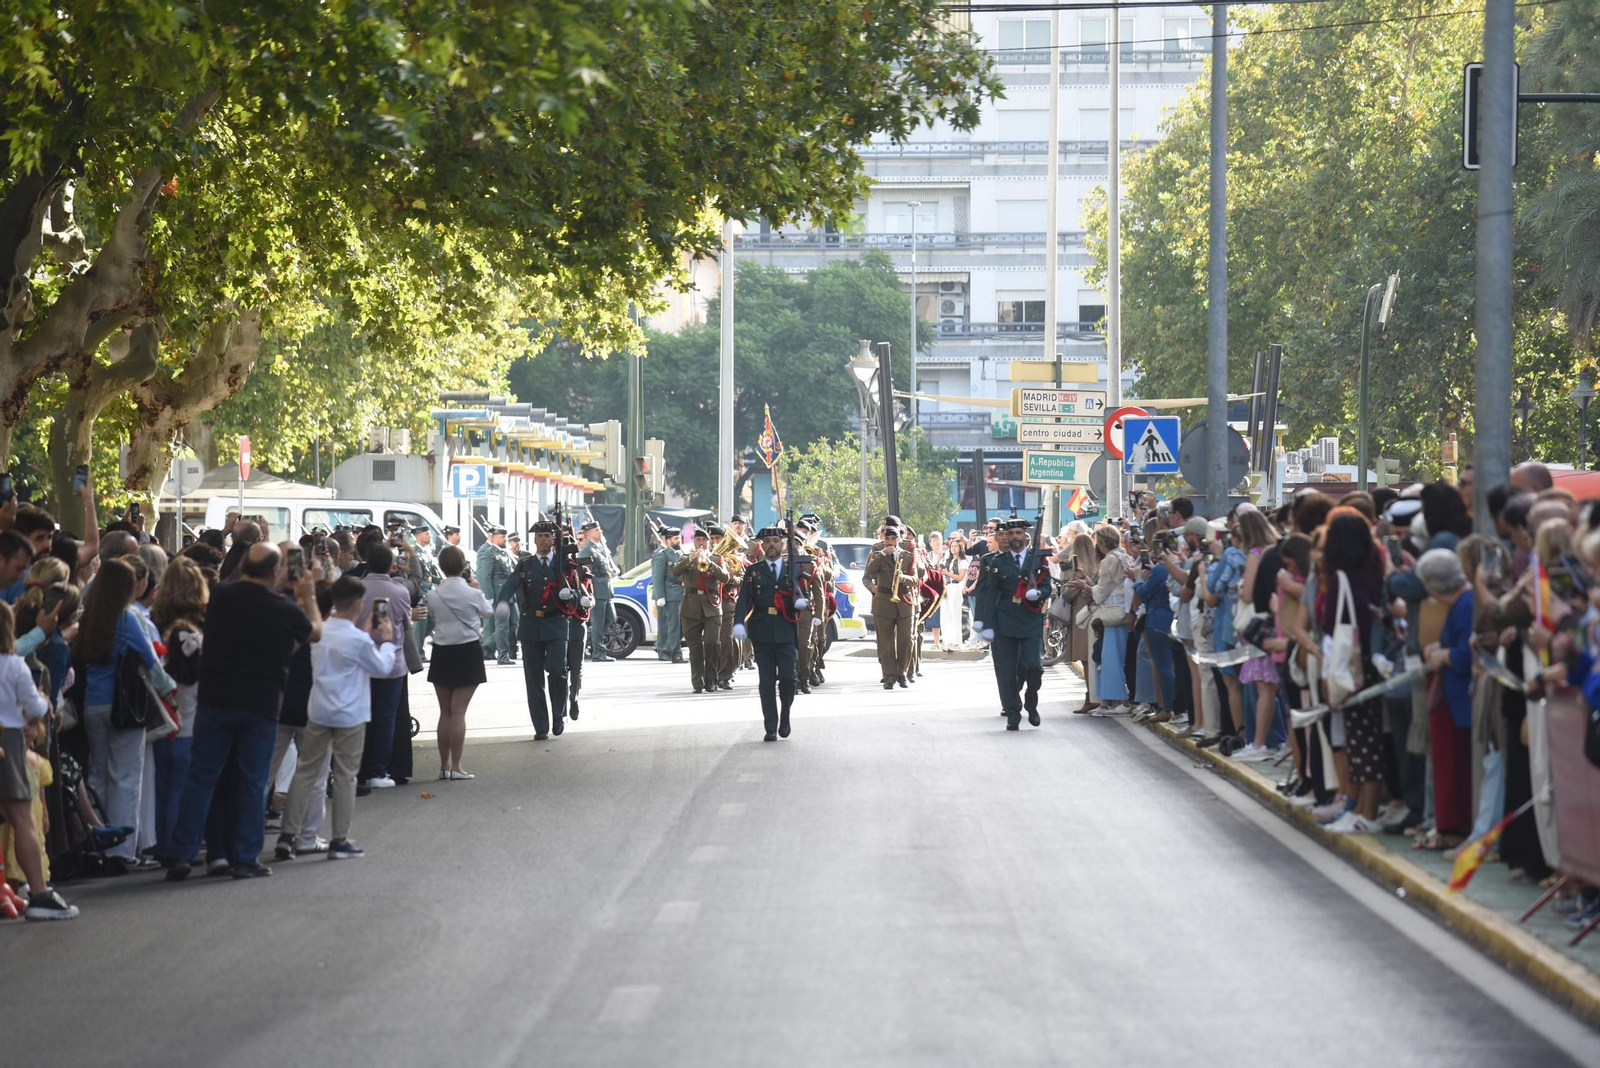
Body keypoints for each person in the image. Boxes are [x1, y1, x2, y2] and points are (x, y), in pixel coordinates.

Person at [166, 542, 320, 882]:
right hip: (260, 704)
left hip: (215, 699)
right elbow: (315, 632)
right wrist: (306, 594)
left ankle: (182, 853)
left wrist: (274, 580)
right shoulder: (285, 612)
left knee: (202, 777)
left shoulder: (221, 595)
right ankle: (245, 857)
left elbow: (243, 587)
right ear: (274, 571)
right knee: (251, 782)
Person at [275, 575, 403, 862]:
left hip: (319, 709)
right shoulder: (358, 639)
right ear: (359, 604)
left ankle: (288, 833)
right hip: (350, 715)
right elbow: (382, 667)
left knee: (305, 772)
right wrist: (386, 641)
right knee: (345, 777)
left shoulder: (319, 631)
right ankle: (339, 839)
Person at [68, 556, 178, 871]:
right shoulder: (127, 618)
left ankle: (96, 843)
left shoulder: (89, 616)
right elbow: (150, 661)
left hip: (93, 705)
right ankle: (123, 850)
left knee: (98, 774)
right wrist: (171, 692)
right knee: (127, 778)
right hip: (124, 706)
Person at [0, 605, 76, 919]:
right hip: (10, 739)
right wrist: (44, 700)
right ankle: (40, 893)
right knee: (23, 820)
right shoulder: (14, 665)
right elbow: (33, 704)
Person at [149, 557, 208, 864]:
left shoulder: (153, 622)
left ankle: (162, 842)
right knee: (184, 788)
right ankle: (179, 845)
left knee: (163, 785)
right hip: (192, 717)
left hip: (161, 715)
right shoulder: (202, 626)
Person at [970, 517, 1051, 730]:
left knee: (1033, 666)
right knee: (1006, 671)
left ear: (1025, 536)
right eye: (1011, 533)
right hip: (1004, 622)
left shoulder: (1038, 560)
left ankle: (1031, 701)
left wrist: (1038, 593)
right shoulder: (997, 561)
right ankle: (1013, 713)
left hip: (1030, 620)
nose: (1015, 537)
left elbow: (1049, 586)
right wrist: (984, 622)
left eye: (1018, 533)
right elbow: (987, 593)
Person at [424, 545, 494, 778]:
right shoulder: (473, 593)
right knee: (459, 712)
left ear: (441, 568)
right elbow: (488, 611)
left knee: (445, 712)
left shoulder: (433, 595)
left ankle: (443, 766)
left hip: (442, 652)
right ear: (464, 565)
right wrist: (477, 587)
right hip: (467, 651)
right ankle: (457, 767)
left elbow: (433, 615)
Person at [498, 520, 572, 740]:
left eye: (548, 535)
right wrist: (503, 602)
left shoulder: (564, 564)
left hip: (557, 622)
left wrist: (573, 595)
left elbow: (578, 590)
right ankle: (541, 726)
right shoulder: (525, 564)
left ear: (553, 539)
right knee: (533, 678)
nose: (544, 539)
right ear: (534, 540)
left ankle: (558, 713)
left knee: (558, 670)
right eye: (540, 536)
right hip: (531, 625)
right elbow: (510, 585)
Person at [732, 526, 802, 741]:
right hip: (762, 630)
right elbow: (744, 598)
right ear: (762, 545)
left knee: (789, 679)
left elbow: (802, 592)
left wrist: (802, 602)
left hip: (786, 629)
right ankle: (770, 726)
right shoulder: (754, 571)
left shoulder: (793, 569)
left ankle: (786, 716)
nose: (772, 545)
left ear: (782, 544)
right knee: (767, 681)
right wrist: (738, 623)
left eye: (775, 540)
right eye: (768, 541)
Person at [354, 543, 412, 789]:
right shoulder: (400, 591)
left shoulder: (356, 589)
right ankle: (380, 771)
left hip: (360, 661)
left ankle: (358, 770)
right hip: (391, 663)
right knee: (386, 719)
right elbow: (406, 625)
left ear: (366, 562)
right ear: (391, 566)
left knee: (359, 717)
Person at [673, 527, 729, 694]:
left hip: (712, 607)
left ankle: (711, 678)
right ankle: (698, 681)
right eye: (698, 540)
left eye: (704, 540)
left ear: (709, 542)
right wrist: (692, 558)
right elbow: (676, 571)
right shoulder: (685, 558)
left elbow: (725, 577)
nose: (701, 543)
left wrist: (709, 563)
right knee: (694, 647)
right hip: (691, 608)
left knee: (712, 643)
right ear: (694, 542)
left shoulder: (717, 559)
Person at [862, 523, 917, 689]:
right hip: (884, 601)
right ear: (883, 539)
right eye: (887, 538)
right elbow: (868, 573)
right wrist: (881, 555)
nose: (891, 542)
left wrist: (903, 578)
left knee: (906, 640)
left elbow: (916, 579)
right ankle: (889, 676)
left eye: (894, 538)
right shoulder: (876, 555)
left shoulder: (908, 556)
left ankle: (902, 673)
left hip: (904, 601)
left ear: (899, 539)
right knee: (886, 642)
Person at [1089, 524, 1132, 715]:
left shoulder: (1109, 560)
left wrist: (1087, 586)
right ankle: (1106, 702)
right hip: (1125, 610)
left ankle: (1121, 701)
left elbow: (1102, 590)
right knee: (1115, 657)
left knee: (1111, 658)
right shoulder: (1124, 555)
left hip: (1112, 613)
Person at [576, 519, 618, 662]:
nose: (600, 532)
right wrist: (588, 592)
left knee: (611, 618)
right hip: (596, 589)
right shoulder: (587, 550)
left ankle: (587, 638)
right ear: (588, 534)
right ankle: (598, 652)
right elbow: (585, 574)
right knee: (598, 622)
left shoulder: (600, 548)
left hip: (605, 587)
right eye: (596, 530)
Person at [475, 526, 515, 664]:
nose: (505, 539)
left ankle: (488, 644)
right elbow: (483, 576)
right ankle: (503, 656)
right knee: (502, 625)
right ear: (491, 536)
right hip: (498, 595)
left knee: (515, 622)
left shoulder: (501, 552)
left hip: (507, 593)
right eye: (502, 537)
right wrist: (488, 597)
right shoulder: (486, 551)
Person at [651, 526, 685, 662]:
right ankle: (675, 653)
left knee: (676, 625)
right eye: (676, 538)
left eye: (680, 538)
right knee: (672, 625)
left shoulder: (677, 552)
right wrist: (660, 596)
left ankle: (666, 650)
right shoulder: (662, 554)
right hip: (669, 594)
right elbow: (657, 576)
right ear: (667, 540)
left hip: (678, 593)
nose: (679, 540)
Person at [940, 532, 968, 648]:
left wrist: (947, 573)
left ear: (960, 548)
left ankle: (957, 641)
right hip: (946, 587)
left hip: (956, 587)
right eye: (952, 546)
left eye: (956, 546)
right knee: (945, 615)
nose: (953, 548)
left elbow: (960, 577)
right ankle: (947, 640)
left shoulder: (963, 561)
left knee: (955, 614)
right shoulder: (948, 560)